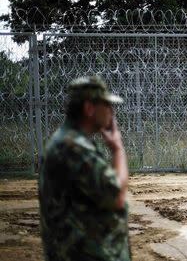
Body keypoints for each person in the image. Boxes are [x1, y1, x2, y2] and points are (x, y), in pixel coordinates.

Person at [39, 75, 131, 261]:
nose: (111, 112)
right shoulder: (73, 148)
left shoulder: (71, 142)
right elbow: (116, 196)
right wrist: (118, 150)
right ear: (89, 108)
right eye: (106, 105)